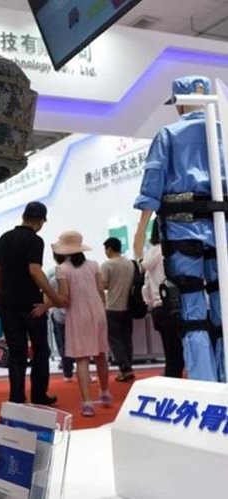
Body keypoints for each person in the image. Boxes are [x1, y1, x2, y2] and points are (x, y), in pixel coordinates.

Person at [133, 75, 221, 382]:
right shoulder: (222, 133)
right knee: (223, 304)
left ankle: (205, 385)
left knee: (193, 311)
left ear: (182, 100)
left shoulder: (169, 134)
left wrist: (141, 230)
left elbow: (152, 184)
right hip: (221, 231)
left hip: (184, 231)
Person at [0, 201, 65, 405]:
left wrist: (0, 294)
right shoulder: (35, 241)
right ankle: (39, 394)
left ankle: (16, 396)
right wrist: (53, 296)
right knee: (41, 350)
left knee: (16, 353)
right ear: (41, 221)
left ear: (23, 216)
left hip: (7, 304)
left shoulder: (4, 238)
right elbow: (35, 270)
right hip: (31, 305)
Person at [51, 231, 111, 417]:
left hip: (77, 314)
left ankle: (87, 403)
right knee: (101, 355)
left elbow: (64, 298)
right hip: (98, 312)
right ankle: (105, 392)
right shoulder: (94, 265)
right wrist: (102, 310)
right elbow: (101, 291)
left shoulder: (62, 269)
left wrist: (48, 301)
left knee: (82, 359)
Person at [140, 220, 184, 377]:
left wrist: (150, 303)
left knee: (170, 350)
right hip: (175, 306)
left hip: (158, 308)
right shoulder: (169, 251)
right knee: (179, 350)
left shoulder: (150, 253)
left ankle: (171, 380)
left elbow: (145, 286)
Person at [101, 237, 136, 382]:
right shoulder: (130, 264)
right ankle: (129, 366)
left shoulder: (107, 265)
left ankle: (125, 369)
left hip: (112, 306)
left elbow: (103, 285)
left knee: (115, 340)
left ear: (109, 249)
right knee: (127, 338)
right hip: (128, 306)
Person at [48, 253, 75, 382]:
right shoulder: (76, 273)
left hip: (58, 314)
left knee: (62, 343)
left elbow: (48, 293)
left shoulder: (52, 275)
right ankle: (70, 367)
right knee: (75, 343)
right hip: (74, 314)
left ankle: (67, 371)